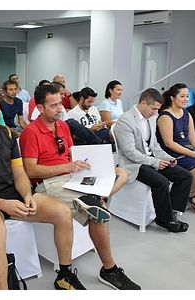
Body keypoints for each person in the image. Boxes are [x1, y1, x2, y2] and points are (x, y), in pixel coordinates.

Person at [0, 79, 86, 290]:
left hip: (11, 194)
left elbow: (19, 172)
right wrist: (3, 205)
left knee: (62, 213)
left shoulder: (6, 134)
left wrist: (27, 195)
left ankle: (65, 275)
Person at [20, 84, 140, 290]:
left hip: (71, 178)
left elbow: (71, 154)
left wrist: (90, 167)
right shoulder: (31, 132)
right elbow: (30, 171)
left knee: (120, 173)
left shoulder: (63, 126)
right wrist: (68, 166)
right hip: (49, 184)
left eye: (60, 104)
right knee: (98, 211)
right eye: (53, 106)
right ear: (40, 108)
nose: (60, 109)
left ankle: (97, 196)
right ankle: (109, 269)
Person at [114, 88, 192, 232]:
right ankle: (165, 220)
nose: (156, 112)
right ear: (143, 103)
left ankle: (171, 212)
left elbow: (155, 146)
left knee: (185, 176)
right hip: (133, 164)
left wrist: (168, 158)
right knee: (161, 182)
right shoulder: (125, 121)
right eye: (153, 109)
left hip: (150, 159)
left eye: (157, 109)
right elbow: (130, 153)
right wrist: (155, 162)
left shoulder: (150, 119)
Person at [156, 83, 195, 216]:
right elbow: (169, 143)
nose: (185, 99)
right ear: (173, 98)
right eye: (182, 96)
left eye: (187, 96)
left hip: (187, 148)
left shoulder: (185, 113)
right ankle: (184, 195)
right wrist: (193, 154)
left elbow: (192, 136)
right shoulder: (165, 116)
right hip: (172, 151)